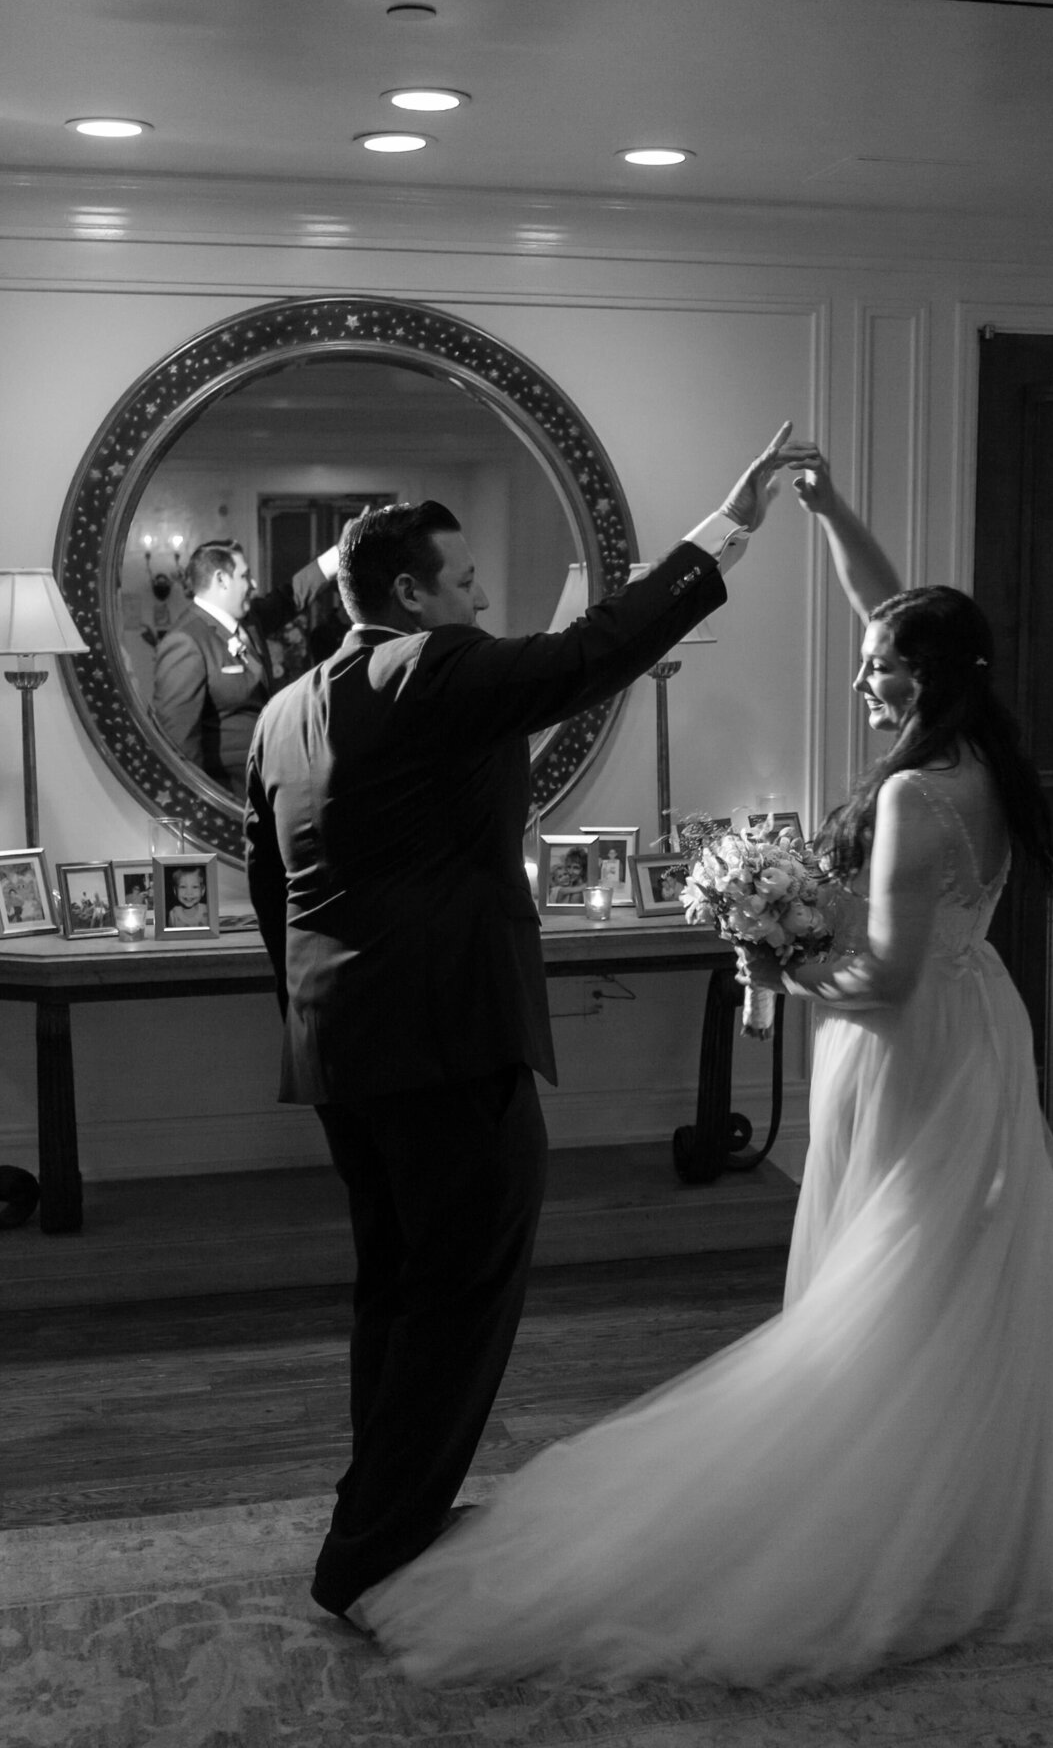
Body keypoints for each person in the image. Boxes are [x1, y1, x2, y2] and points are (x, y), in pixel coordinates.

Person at [357, 449, 1053, 1686]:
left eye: (879, 672)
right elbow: (892, 611)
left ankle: (897, 1496)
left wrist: (775, 961)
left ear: (927, 684)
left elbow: (889, 976)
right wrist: (821, 503)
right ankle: (971, 1479)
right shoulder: (980, 748)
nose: (861, 678)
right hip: (977, 1027)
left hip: (912, 1044)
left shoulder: (919, 797)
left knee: (903, 1267)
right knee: (965, 1258)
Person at [243, 423, 809, 1627]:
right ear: (411, 595)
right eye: (466, 582)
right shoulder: (426, 669)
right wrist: (727, 532)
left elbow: (266, 891)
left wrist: (316, 1014)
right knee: (461, 1291)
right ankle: (373, 1552)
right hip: (449, 1040)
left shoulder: (287, 709)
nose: (483, 598)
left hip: (342, 1042)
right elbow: (589, 655)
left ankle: (377, 1507)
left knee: (397, 1289)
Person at [153, 536, 339, 802]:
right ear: (221, 579)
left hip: (263, 788)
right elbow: (178, 746)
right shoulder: (185, 642)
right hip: (227, 795)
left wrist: (337, 556)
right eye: (245, 576)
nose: (253, 585)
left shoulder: (249, 622)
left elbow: (289, 597)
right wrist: (205, 808)